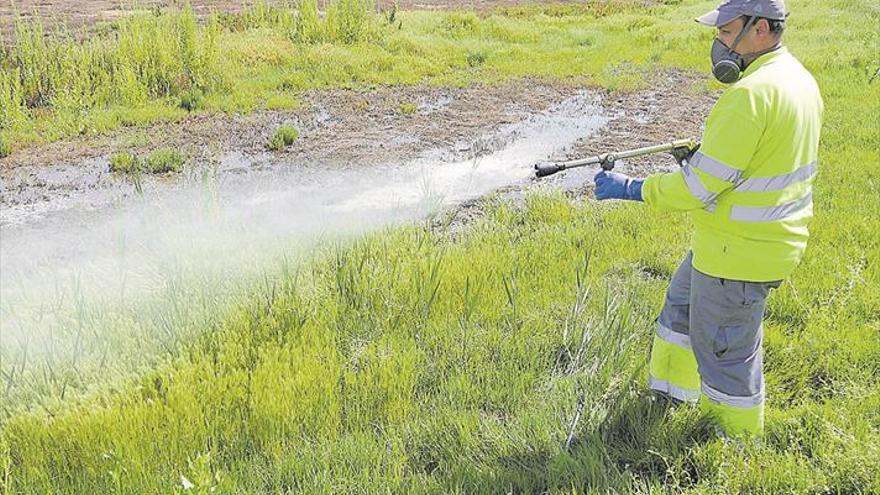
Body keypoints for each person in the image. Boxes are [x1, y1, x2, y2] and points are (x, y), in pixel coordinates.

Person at [593, 0, 823, 437]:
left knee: (726, 356)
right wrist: (704, 157)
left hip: (739, 255)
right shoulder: (796, 78)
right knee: (679, 311)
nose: (718, 43)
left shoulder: (749, 96)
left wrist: (632, 188)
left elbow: (697, 188)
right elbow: (756, 161)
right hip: (734, 244)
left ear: (760, 30)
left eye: (725, 32)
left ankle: (733, 447)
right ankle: (670, 394)